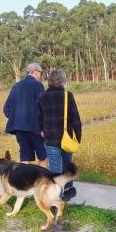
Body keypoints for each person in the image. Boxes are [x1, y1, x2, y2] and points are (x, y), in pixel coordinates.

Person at [37, 69, 82, 201]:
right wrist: (77, 138)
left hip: (50, 140)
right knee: (67, 166)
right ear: (62, 81)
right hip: (66, 139)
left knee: (55, 170)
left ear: (50, 81)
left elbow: (38, 118)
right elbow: (75, 119)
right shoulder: (68, 95)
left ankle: (58, 195)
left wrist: (41, 130)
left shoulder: (42, 97)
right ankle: (64, 193)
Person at [3, 62, 47, 167]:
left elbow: (6, 109)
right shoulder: (38, 85)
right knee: (44, 157)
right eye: (40, 73)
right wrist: (43, 128)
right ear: (35, 72)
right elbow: (43, 108)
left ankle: (25, 183)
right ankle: (41, 183)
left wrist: (17, 119)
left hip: (19, 129)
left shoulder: (16, 86)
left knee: (25, 158)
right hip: (35, 129)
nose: (41, 75)